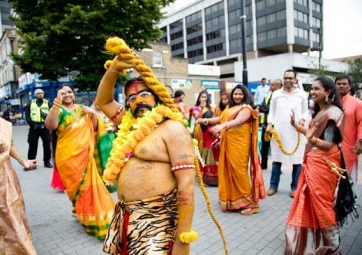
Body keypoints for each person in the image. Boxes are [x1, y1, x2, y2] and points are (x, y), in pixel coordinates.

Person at [96, 37, 197, 255]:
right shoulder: (128, 123)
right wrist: (113, 69)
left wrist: (182, 237)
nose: (137, 100)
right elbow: (103, 101)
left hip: (157, 219)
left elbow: (187, 186)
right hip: (126, 215)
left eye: (143, 94)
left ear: (157, 97)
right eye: (131, 97)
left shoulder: (172, 128)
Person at [44, 84, 115, 240]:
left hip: (86, 154)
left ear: (74, 94)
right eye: (63, 93)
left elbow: (96, 129)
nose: (67, 95)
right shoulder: (59, 110)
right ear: (58, 95)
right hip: (68, 157)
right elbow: (50, 125)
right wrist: (56, 103)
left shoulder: (83, 108)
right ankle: (83, 212)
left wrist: (93, 114)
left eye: (69, 92)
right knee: (76, 189)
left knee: (89, 188)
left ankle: (90, 216)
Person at [285, 76, 344, 254]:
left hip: (324, 164)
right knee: (309, 201)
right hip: (313, 161)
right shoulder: (320, 111)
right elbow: (312, 135)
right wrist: (296, 126)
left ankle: (332, 246)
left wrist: (311, 138)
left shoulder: (333, 113)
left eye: (316, 89)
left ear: (328, 92)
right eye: (311, 89)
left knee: (322, 204)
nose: (312, 92)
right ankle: (310, 243)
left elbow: (328, 144)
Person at [0, 92, 38, 254]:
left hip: (8, 178)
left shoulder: (2, 124)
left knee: (13, 211)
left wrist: (23, 161)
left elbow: (9, 146)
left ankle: (21, 246)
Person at [197, 84, 265, 215]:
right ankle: (232, 199)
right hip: (227, 144)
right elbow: (220, 118)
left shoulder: (246, 108)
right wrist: (205, 120)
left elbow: (239, 121)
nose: (238, 96)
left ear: (245, 95)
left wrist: (222, 126)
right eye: (235, 94)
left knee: (239, 172)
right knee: (226, 171)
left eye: (240, 94)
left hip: (239, 146)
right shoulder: (230, 108)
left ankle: (251, 203)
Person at [266, 70, 308, 198]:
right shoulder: (276, 94)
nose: (288, 80)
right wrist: (269, 124)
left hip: (296, 132)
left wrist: (302, 119)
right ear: (283, 79)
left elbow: (306, 111)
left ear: (295, 80)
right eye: (286, 78)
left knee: (297, 160)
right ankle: (273, 186)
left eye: (291, 78)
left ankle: (294, 187)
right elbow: (271, 111)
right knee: (276, 160)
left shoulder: (301, 94)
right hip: (280, 131)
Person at [335, 74, 362, 184]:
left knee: (348, 176)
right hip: (331, 145)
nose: (341, 86)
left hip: (349, 145)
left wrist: (360, 142)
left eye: (344, 84)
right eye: (339, 84)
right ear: (334, 86)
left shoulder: (357, 103)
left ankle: (349, 200)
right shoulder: (330, 102)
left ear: (349, 86)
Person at [25, 89, 53, 168]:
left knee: (47, 144)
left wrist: (45, 124)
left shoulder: (48, 103)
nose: (40, 95)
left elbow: (52, 114)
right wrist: (33, 125)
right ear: (35, 95)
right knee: (32, 145)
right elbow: (27, 116)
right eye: (38, 93)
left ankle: (47, 161)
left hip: (45, 127)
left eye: (41, 93)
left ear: (43, 94)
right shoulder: (30, 104)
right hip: (33, 128)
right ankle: (32, 162)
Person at [259, 79, 282, 169]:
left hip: (276, 126)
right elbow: (262, 107)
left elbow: (275, 110)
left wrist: (266, 109)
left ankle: (277, 167)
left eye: (272, 85)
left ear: (278, 86)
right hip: (266, 124)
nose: (270, 86)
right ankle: (264, 164)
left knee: (276, 147)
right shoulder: (268, 95)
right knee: (264, 146)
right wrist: (266, 109)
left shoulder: (281, 97)